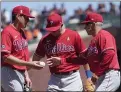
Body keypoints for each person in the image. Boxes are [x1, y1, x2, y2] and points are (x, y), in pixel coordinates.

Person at [32, 13, 92, 91]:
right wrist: (35, 64)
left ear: (61, 25)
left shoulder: (73, 35)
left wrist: (89, 76)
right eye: (51, 29)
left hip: (72, 79)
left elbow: (84, 58)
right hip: (54, 79)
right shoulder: (44, 40)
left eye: (55, 29)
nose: (53, 31)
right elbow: (35, 59)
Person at [67, 12, 120, 91]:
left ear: (92, 24)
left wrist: (97, 73)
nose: (85, 28)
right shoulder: (93, 41)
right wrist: (64, 60)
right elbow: (84, 59)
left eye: (86, 25)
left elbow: (109, 54)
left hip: (109, 74)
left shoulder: (104, 35)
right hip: (101, 75)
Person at [1, 5, 45, 91]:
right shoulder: (7, 32)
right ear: (18, 16)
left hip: (20, 72)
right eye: (26, 17)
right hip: (9, 71)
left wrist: (26, 75)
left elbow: (23, 57)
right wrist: (30, 64)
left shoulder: (22, 33)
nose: (28, 20)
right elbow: (6, 57)